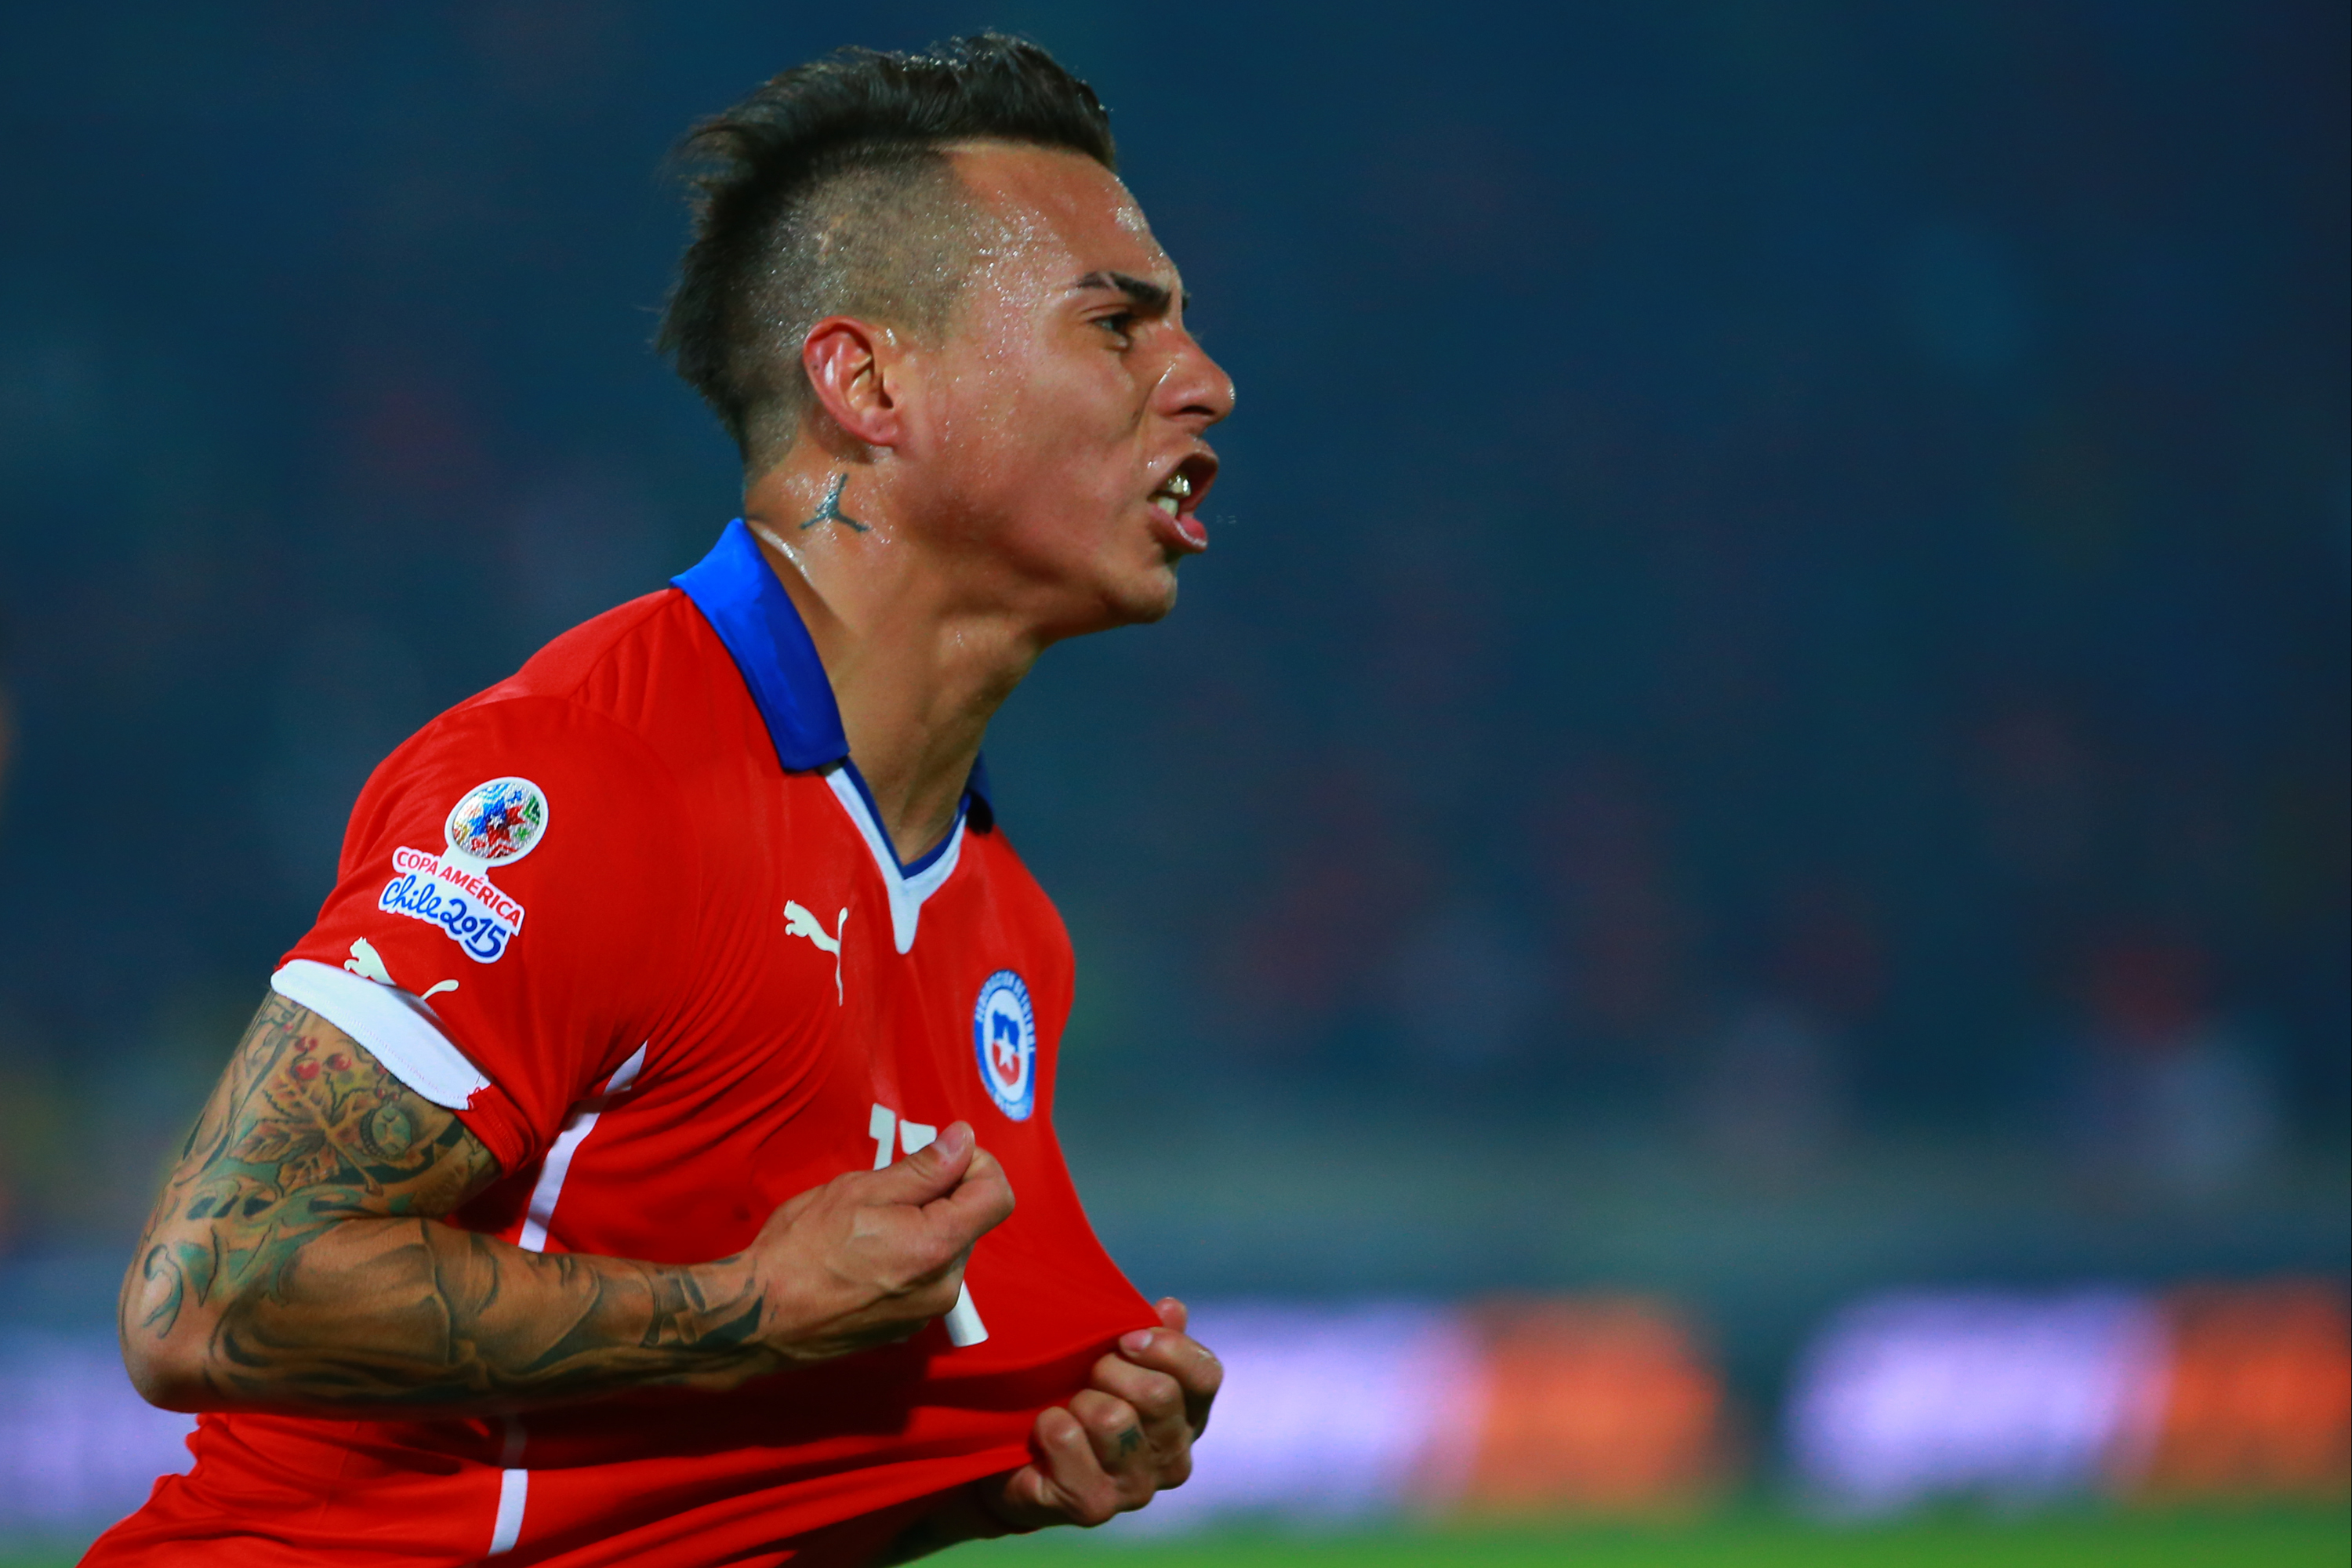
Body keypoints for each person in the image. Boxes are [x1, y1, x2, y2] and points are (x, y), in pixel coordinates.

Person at [89, 34, 1232, 1567]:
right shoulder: (586, 779)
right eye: (1116, 325)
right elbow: (207, 1293)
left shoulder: (1007, 922)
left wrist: (974, 1480)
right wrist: (750, 1306)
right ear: (870, 379)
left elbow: (666, 1491)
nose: (1203, 380)